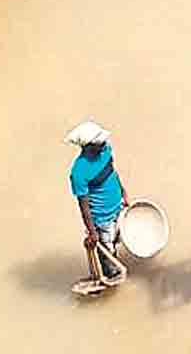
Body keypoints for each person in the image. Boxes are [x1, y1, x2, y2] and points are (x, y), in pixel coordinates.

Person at [66, 121, 129, 284]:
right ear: (86, 147)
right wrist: (92, 231)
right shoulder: (78, 172)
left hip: (119, 206)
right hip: (102, 219)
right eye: (98, 143)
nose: (102, 144)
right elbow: (84, 206)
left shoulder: (106, 149)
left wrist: (123, 191)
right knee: (108, 255)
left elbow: (112, 171)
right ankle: (110, 278)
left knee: (119, 239)